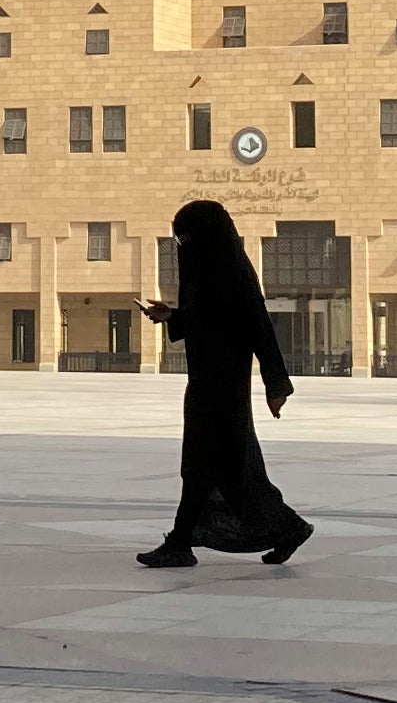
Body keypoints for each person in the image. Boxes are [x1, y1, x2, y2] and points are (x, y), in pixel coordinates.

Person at [133, 199, 314, 569]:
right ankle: (285, 528)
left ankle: (182, 542)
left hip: (224, 386)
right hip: (204, 381)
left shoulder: (232, 271)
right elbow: (210, 320)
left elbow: (257, 324)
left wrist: (276, 383)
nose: (184, 245)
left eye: (189, 237)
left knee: (210, 466)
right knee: (226, 469)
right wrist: (172, 316)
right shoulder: (207, 269)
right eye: (179, 238)